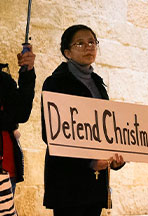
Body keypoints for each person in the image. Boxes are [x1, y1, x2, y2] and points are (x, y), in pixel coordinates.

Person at [41, 25, 125, 216]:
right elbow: (51, 134)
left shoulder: (98, 83)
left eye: (92, 42)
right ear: (67, 52)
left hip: (95, 184)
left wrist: (115, 158)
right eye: (80, 43)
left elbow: (105, 130)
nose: (89, 47)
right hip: (68, 181)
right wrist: (88, 161)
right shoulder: (55, 83)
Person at [0, 45, 36, 193]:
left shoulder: (3, 79)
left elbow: (21, 113)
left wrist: (27, 72)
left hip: (6, 169)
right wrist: (9, 121)